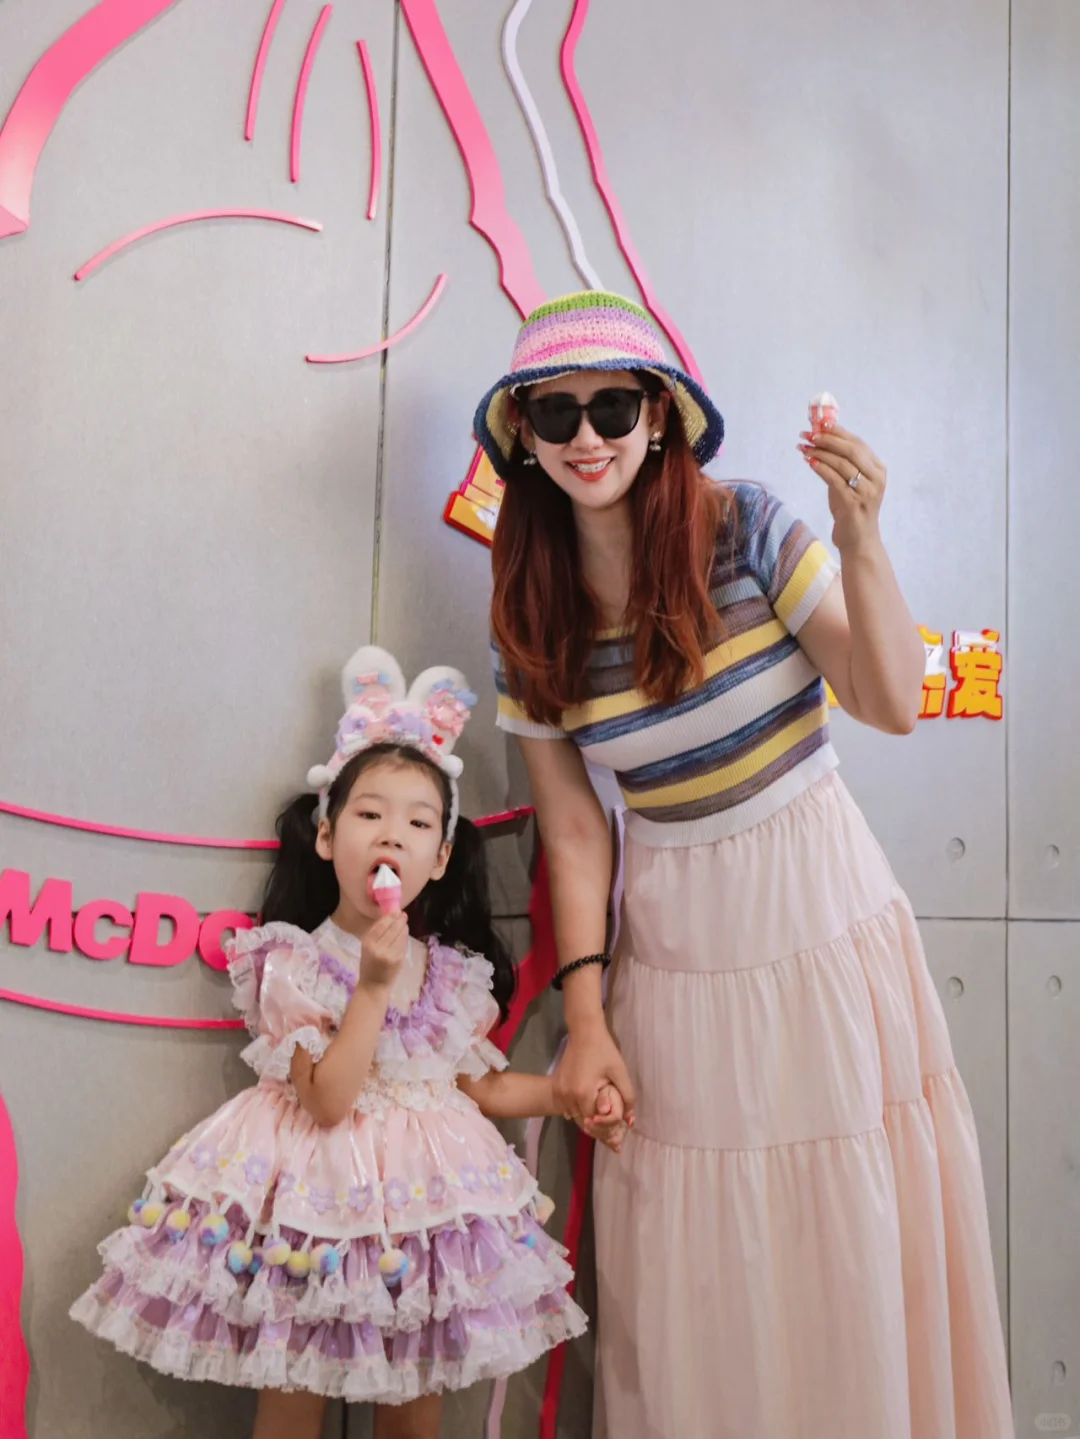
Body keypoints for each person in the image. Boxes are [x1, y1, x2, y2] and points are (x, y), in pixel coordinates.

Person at [476, 290, 1014, 1438]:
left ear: (659, 415)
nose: (587, 436)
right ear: (523, 432)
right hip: (675, 938)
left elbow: (889, 700)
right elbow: (575, 831)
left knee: (845, 1213)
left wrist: (860, 538)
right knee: (705, 1250)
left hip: (819, 908)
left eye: (614, 407)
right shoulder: (528, 607)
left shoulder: (746, 526)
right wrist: (587, 1017)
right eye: (556, 412)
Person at [71, 644, 624, 1439]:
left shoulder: (451, 975)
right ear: (327, 836)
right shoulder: (294, 964)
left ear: (441, 856)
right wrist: (370, 986)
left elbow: (476, 1086)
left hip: (419, 1223)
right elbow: (328, 1099)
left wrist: (567, 1094)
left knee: (414, 1419)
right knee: (291, 1411)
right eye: (369, 815)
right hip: (311, 1222)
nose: (392, 835)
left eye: (418, 822)